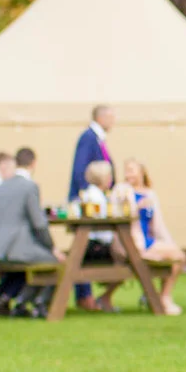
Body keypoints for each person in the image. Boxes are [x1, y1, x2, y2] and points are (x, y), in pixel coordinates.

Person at [0, 146, 53, 316]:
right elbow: (39, 224)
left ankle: (17, 301)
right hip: (18, 248)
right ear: (33, 163)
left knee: (35, 264)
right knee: (55, 263)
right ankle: (36, 303)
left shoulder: (1, 187)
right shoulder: (30, 187)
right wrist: (51, 246)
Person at [68, 105, 115, 309]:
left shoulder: (97, 138)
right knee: (83, 245)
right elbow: (81, 169)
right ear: (101, 117)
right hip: (90, 204)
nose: (114, 122)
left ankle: (85, 295)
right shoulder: (88, 137)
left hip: (95, 198)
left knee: (82, 247)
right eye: (112, 117)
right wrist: (88, 197)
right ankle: (84, 294)